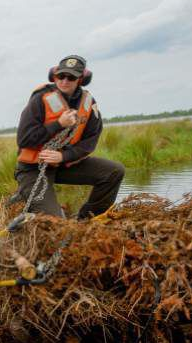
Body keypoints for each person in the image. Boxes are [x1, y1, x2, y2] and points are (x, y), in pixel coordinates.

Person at [13, 54, 124, 219]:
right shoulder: (39, 100)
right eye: (61, 76)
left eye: (71, 77)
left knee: (114, 171)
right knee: (55, 220)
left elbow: (89, 142)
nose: (64, 81)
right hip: (33, 169)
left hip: (63, 165)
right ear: (54, 76)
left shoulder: (88, 103)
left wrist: (63, 156)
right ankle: (24, 194)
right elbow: (24, 139)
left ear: (80, 80)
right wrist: (58, 124)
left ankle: (86, 221)